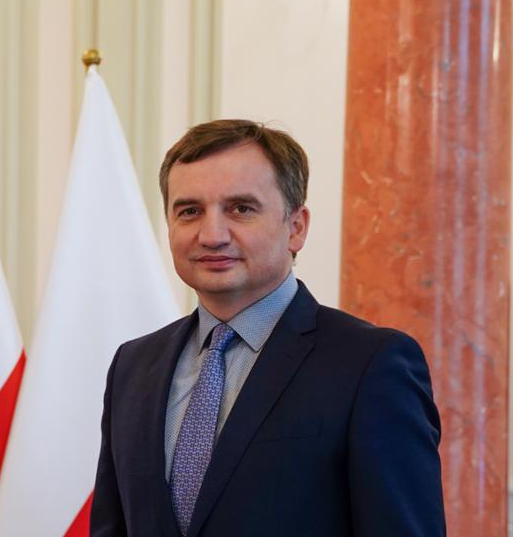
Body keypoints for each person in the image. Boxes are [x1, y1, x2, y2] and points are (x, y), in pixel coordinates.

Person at [90, 119, 444, 536]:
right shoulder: (133, 366)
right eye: (190, 212)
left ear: (296, 227)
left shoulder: (371, 365)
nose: (212, 235)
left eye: (241, 209)